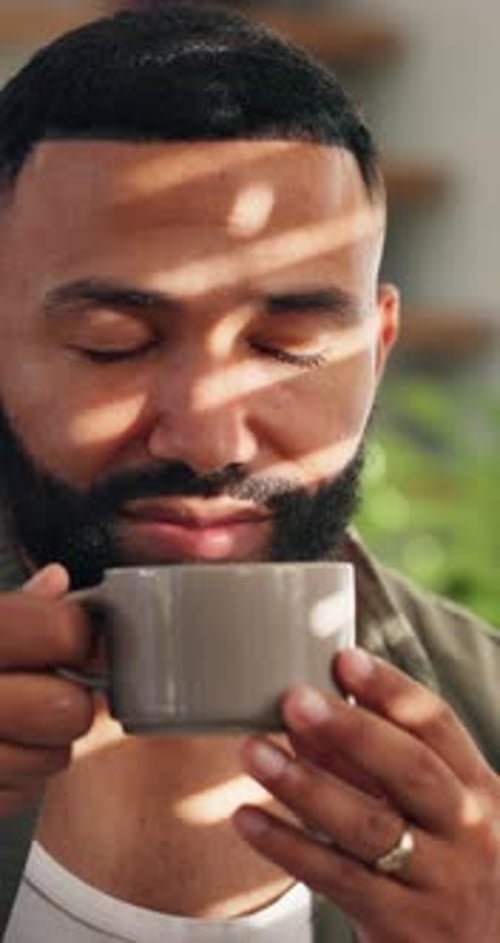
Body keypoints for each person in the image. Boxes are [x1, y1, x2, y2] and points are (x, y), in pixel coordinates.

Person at [0, 2, 498, 940]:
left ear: (377, 349)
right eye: (114, 344)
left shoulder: (484, 725)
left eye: (289, 344)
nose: (209, 437)